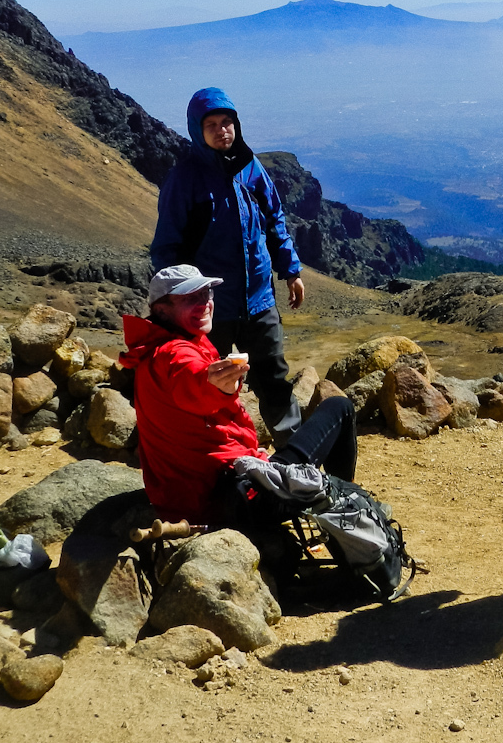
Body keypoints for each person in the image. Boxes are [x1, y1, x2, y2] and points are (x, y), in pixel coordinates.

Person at [120, 265, 356, 533]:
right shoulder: (173, 354)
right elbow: (192, 382)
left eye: (207, 293)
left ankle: (338, 503)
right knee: (339, 407)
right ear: (162, 310)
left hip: (192, 496)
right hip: (236, 498)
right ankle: (346, 508)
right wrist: (218, 388)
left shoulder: (158, 349)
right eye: (189, 298)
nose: (205, 304)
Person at [151, 86, 305, 444]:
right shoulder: (185, 179)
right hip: (209, 307)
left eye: (227, 122)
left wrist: (291, 270)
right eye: (212, 125)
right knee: (209, 380)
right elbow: (167, 246)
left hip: (259, 300)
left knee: (273, 378)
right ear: (197, 131)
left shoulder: (251, 170)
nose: (222, 130)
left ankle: (296, 454)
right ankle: (215, 451)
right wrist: (173, 305)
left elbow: (274, 222)